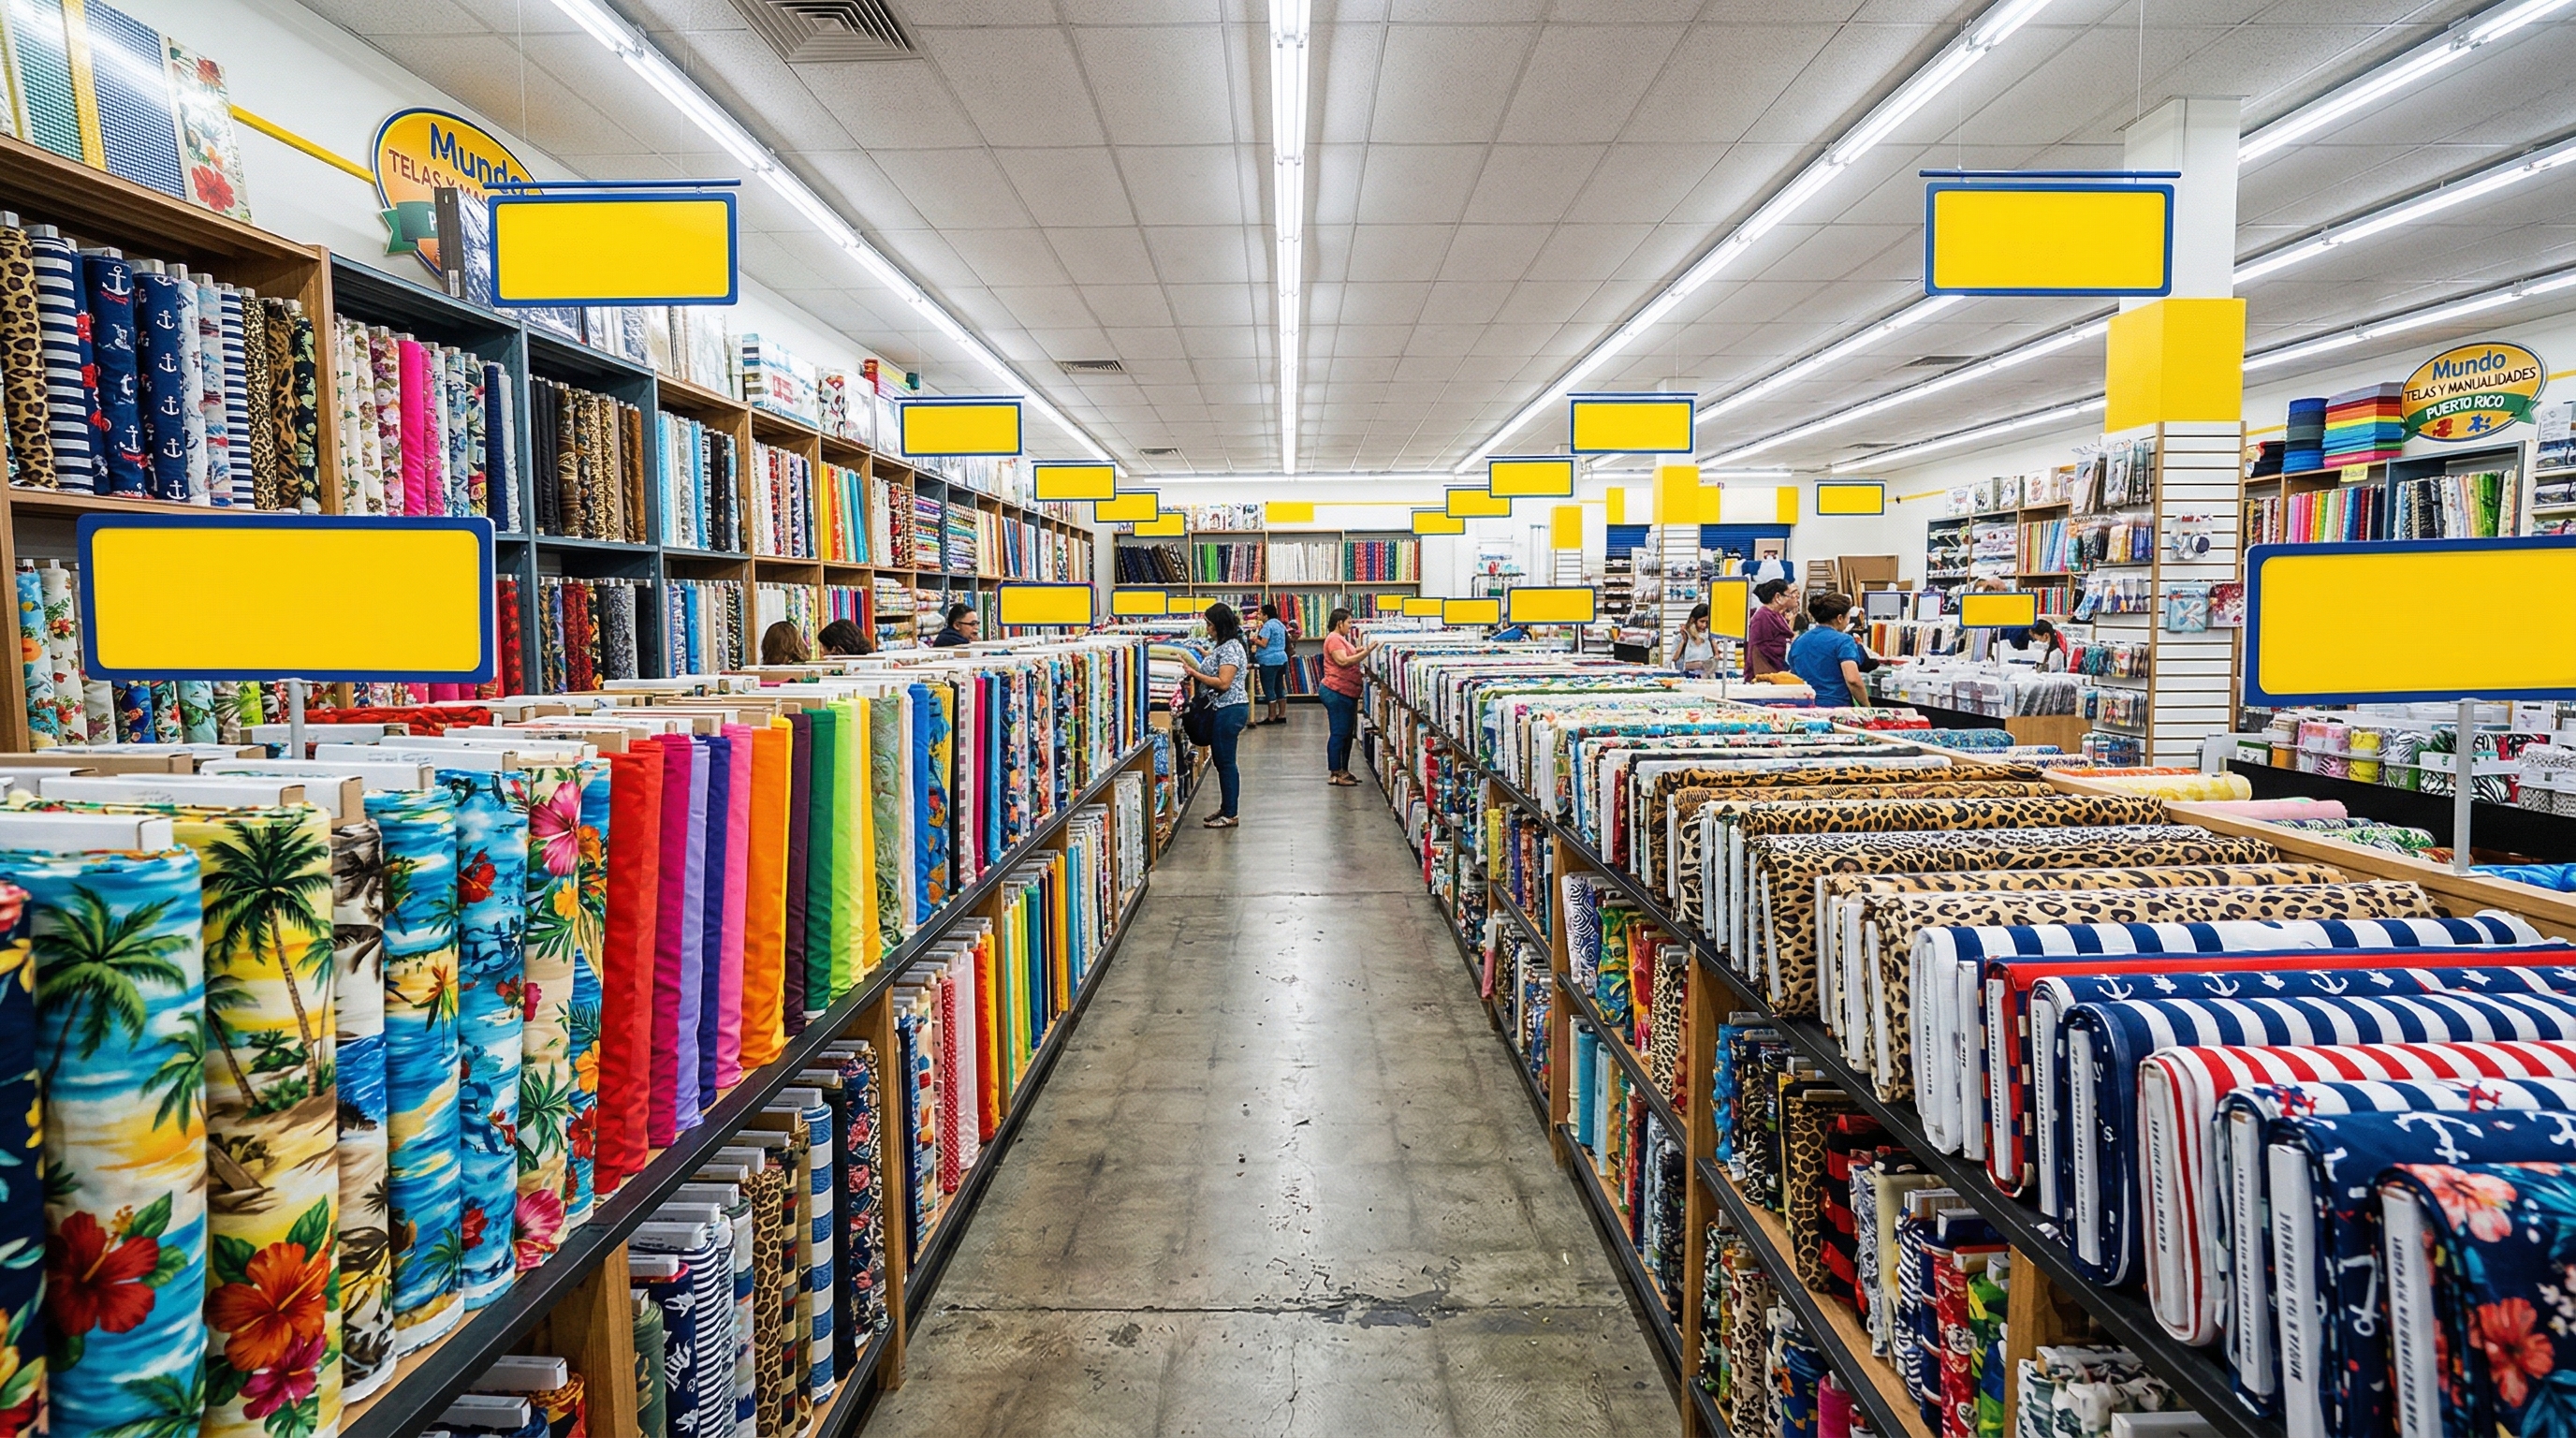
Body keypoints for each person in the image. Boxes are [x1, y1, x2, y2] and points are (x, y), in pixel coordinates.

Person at [1177, 603, 1251, 827]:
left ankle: (1231, 814)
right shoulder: (1227, 646)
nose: (1207, 628)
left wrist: (1194, 673)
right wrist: (1205, 656)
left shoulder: (1230, 648)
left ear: (1219, 625)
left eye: (1209, 624)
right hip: (1227, 709)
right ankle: (1226, 807)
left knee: (1226, 762)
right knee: (1222, 761)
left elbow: (1224, 682)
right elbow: (1221, 665)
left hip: (1229, 709)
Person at [1318, 608, 1376, 786]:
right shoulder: (1334, 639)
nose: (1350, 626)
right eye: (1349, 622)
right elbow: (1342, 661)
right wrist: (1367, 652)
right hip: (1336, 692)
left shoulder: (1340, 639)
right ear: (1339, 623)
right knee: (1339, 732)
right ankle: (1335, 773)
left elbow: (1347, 654)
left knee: (1346, 733)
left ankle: (1343, 770)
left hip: (1346, 692)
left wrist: (1360, 649)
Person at [1786, 592, 1868, 707]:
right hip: (1836, 708)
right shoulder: (1844, 641)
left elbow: (1793, 677)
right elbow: (1853, 680)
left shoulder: (1799, 641)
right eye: (1848, 617)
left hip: (1805, 707)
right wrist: (1867, 707)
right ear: (1840, 618)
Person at [1746, 578, 1796, 680]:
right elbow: (1759, 650)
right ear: (1778, 597)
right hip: (1763, 674)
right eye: (1790, 595)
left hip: (1776, 669)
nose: (1794, 597)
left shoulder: (1776, 615)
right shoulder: (1762, 617)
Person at [1252, 603, 1290, 726]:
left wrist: (1254, 640)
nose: (1259, 615)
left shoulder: (1267, 626)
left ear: (1266, 615)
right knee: (1279, 686)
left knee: (1269, 688)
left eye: (1260, 613)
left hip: (1268, 661)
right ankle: (1282, 715)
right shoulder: (1280, 625)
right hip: (1281, 659)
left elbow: (1264, 643)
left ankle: (1272, 716)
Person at [1674, 601, 1717, 676]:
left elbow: (1713, 661)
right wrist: (1684, 641)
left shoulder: (1708, 637)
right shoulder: (1683, 635)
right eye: (1702, 621)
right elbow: (1674, 658)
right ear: (1693, 620)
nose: (1704, 625)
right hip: (1687, 677)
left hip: (1706, 679)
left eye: (1707, 622)